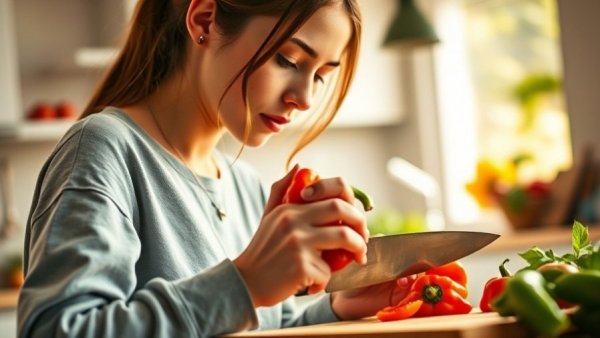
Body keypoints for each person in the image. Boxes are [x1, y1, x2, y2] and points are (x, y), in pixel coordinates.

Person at [18, 0, 413, 337]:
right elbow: (60, 328)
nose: (305, 98)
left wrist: (337, 307)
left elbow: (257, 324)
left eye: (322, 75)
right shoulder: (105, 149)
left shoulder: (244, 185)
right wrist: (243, 284)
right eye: (287, 59)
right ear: (204, 20)